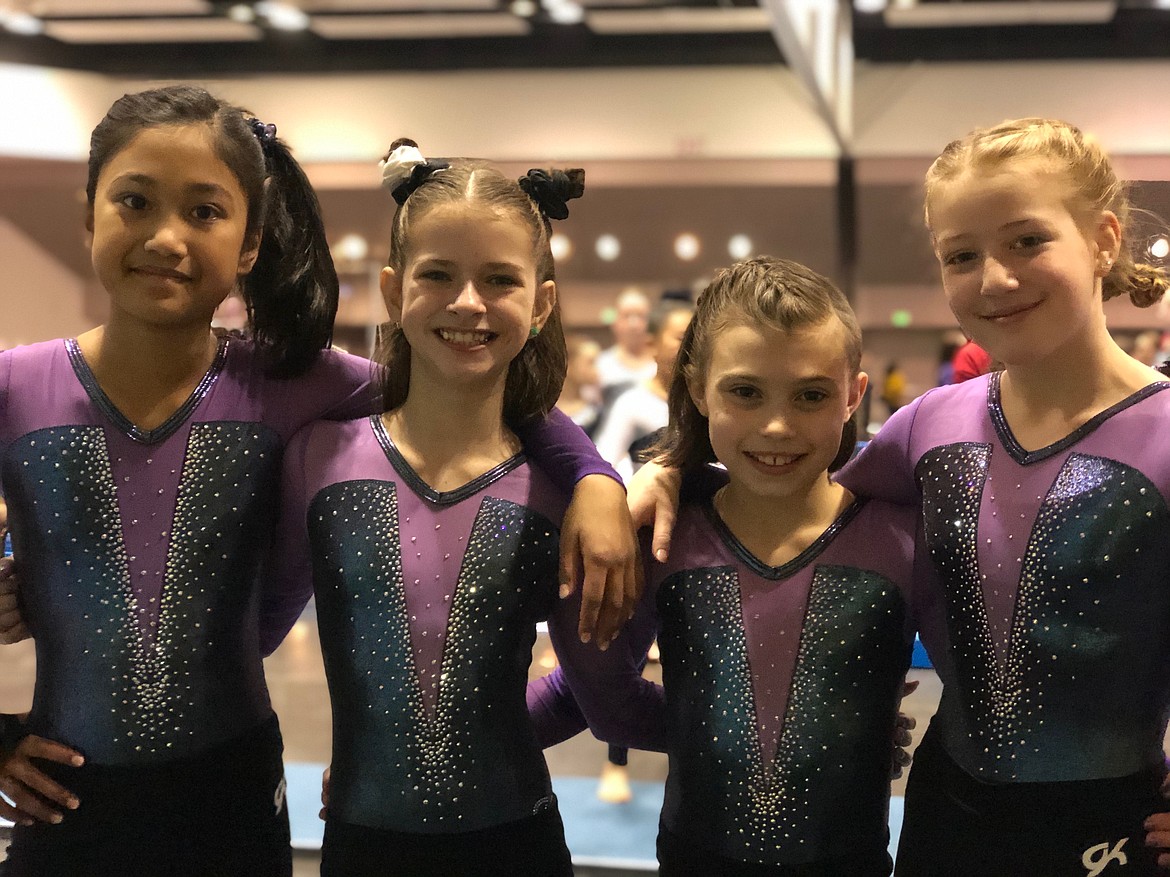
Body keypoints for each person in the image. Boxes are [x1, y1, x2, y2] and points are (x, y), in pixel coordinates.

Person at [0, 88, 635, 876]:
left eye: (203, 211)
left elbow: (473, 387)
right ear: (89, 212)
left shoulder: (295, 383)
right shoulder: (13, 387)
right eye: (134, 201)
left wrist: (596, 477)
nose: (166, 237)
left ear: (250, 243)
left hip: (229, 798)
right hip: (62, 802)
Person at [632, 119, 1170, 875]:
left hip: (1109, 826)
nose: (994, 277)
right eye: (961, 255)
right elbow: (784, 487)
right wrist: (669, 470)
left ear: (1105, 238)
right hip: (947, 817)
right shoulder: (930, 425)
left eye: (1027, 241)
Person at [273, 141, 647, 877]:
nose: (468, 302)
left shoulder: (560, 493)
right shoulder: (317, 457)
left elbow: (598, 694)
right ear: (392, 289)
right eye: (437, 274)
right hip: (362, 843)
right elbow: (241, 627)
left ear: (541, 303)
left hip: (516, 844)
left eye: (499, 280)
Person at [530, 256, 917, 874]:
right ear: (697, 387)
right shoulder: (663, 535)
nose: (776, 424)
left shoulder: (901, 533)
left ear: (854, 394)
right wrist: (707, 726)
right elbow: (595, 696)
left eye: (811, 394)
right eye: (745, 391)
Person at [594, 298, 694, 482]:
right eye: (682, 338)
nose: (692, 347)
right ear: (651, 345)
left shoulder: (707, 401)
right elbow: (601, 467)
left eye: (697, 339)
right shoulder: (633, 404)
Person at [595, 287, 656, 407]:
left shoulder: (661, 364)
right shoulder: (600, 365)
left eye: (640, 316)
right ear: (615, 322)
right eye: (626, 316)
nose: (634, 324)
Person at [557, 333, 603, 437]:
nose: (597, 370)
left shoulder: (596, 413)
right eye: (591, 362)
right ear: (568, 364)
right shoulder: (544, 412)